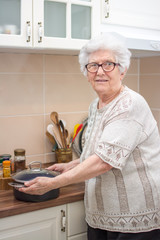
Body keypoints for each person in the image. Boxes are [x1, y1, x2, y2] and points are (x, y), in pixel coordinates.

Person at [19, 33, 160, 240]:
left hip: (135, 217)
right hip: (100, 214)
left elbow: (104, 162)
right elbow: (98, 151)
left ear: (123, 70)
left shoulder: (130, 105)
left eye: (108, 64)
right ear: (86, 73)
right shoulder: (96, 105)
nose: (100, 72)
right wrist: (71, 165)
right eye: (93, 65)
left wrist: (53, 183)